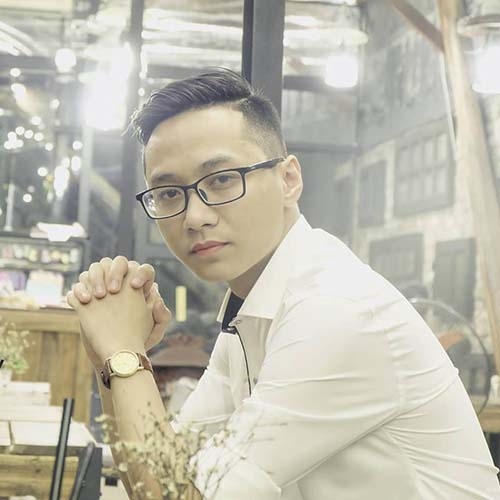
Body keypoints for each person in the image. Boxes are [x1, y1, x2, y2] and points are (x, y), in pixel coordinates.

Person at [67, 69, 500, 500]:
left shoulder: (334, 309)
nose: (194, 217)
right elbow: (164, 471)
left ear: (288, 179)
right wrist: (111, 357)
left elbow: (171, 494)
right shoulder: (251, 310)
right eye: (168, 193)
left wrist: (124, 352)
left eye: (222, 180)